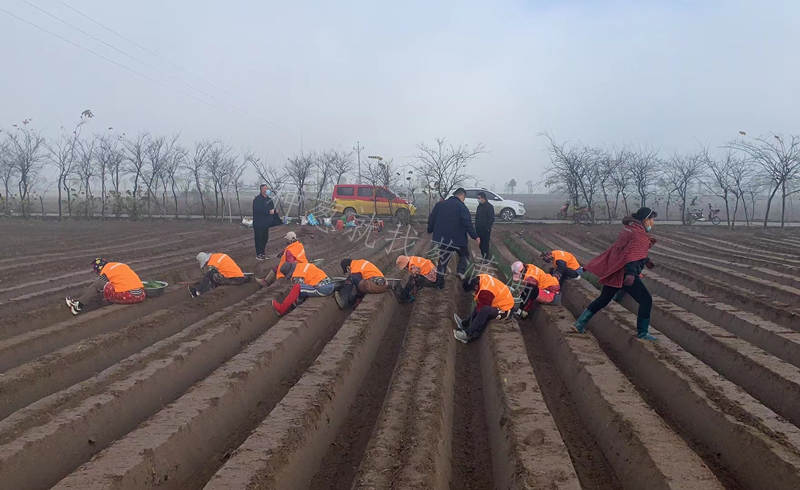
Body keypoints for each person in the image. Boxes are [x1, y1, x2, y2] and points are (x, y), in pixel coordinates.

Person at [574, 207, 658, 340]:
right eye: (652, 219)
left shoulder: (629, 229)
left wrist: (646, 260)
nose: (652, 222)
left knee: (604, 299)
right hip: (626, 274)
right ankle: (643, 332)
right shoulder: (639, 234)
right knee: (646, 300)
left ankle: (579, 323)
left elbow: (624, 251)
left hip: (616, 271)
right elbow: (631, 255)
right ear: (645, 219)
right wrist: (630, 274)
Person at [427, 188, 480, 286]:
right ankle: (460, 272)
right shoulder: (462, 207)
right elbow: (467, 223)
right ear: (462, 196)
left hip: (444, 240)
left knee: (443, 259)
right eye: (464, 198)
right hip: (458, 239)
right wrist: (475, 236)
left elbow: (432, 218)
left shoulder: (440, 205)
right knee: (464, 255)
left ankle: (439, 281)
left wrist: (430, 229)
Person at [65, 258, 146, 315]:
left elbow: (98, 285)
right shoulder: (120, 265)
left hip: (129, 296)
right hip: (141, 295)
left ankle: (78, 305)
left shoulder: (106, 271)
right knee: (111, 286)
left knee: (98, 284)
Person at [453, 273, 515, 343]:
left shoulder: (485, 291)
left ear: (475, 287)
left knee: (485, 310)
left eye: (472, 291)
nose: (473, 293)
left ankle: (468, 334)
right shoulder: (481, 277)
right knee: (480, 307)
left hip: (506, 310)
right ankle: (464, 324)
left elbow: (481, 312)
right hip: (501, 301)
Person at [252, 184, 276, 260]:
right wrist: (268, 211)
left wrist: (274, 211)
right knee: (259, 238)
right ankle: (259, 254)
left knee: (265, 238)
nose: (266, 190)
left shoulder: (269, 199)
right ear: (261, 190)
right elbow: (258, 210)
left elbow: (272, 208)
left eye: (266, 188)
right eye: (264, 189)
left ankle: (263, 253)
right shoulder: (257, 199)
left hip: (266, 223)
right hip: (258, 223)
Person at [475, 191, 494, 259]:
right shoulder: (479, 206)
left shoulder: (489, 207)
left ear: (483, 198)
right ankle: (483, 257)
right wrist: (476, 227)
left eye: (479, 198)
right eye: (477, 198)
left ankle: (486, 259)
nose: (478, 199)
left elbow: (491, 219)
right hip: (479, 229)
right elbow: (477, 217)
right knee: (480, 245)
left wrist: (487, 228)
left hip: (485, 230)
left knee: (485, 245)